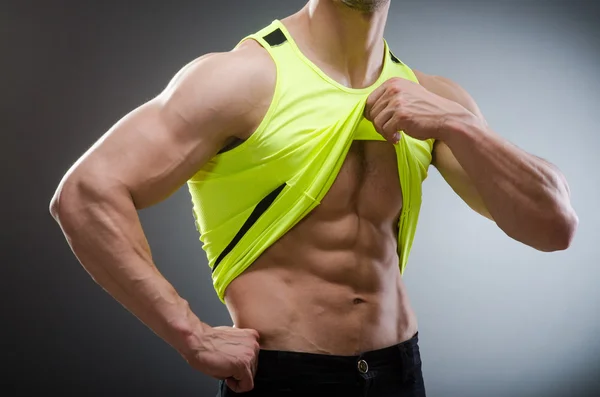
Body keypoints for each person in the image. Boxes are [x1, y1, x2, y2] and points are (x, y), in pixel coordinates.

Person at [49, 1, 579, 396]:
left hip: (400, 372)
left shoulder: (431, 97)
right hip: (285, 377)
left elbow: (553, 226)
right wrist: (189, 332)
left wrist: (459, 124)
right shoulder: (243, 79)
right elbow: (85, 194)